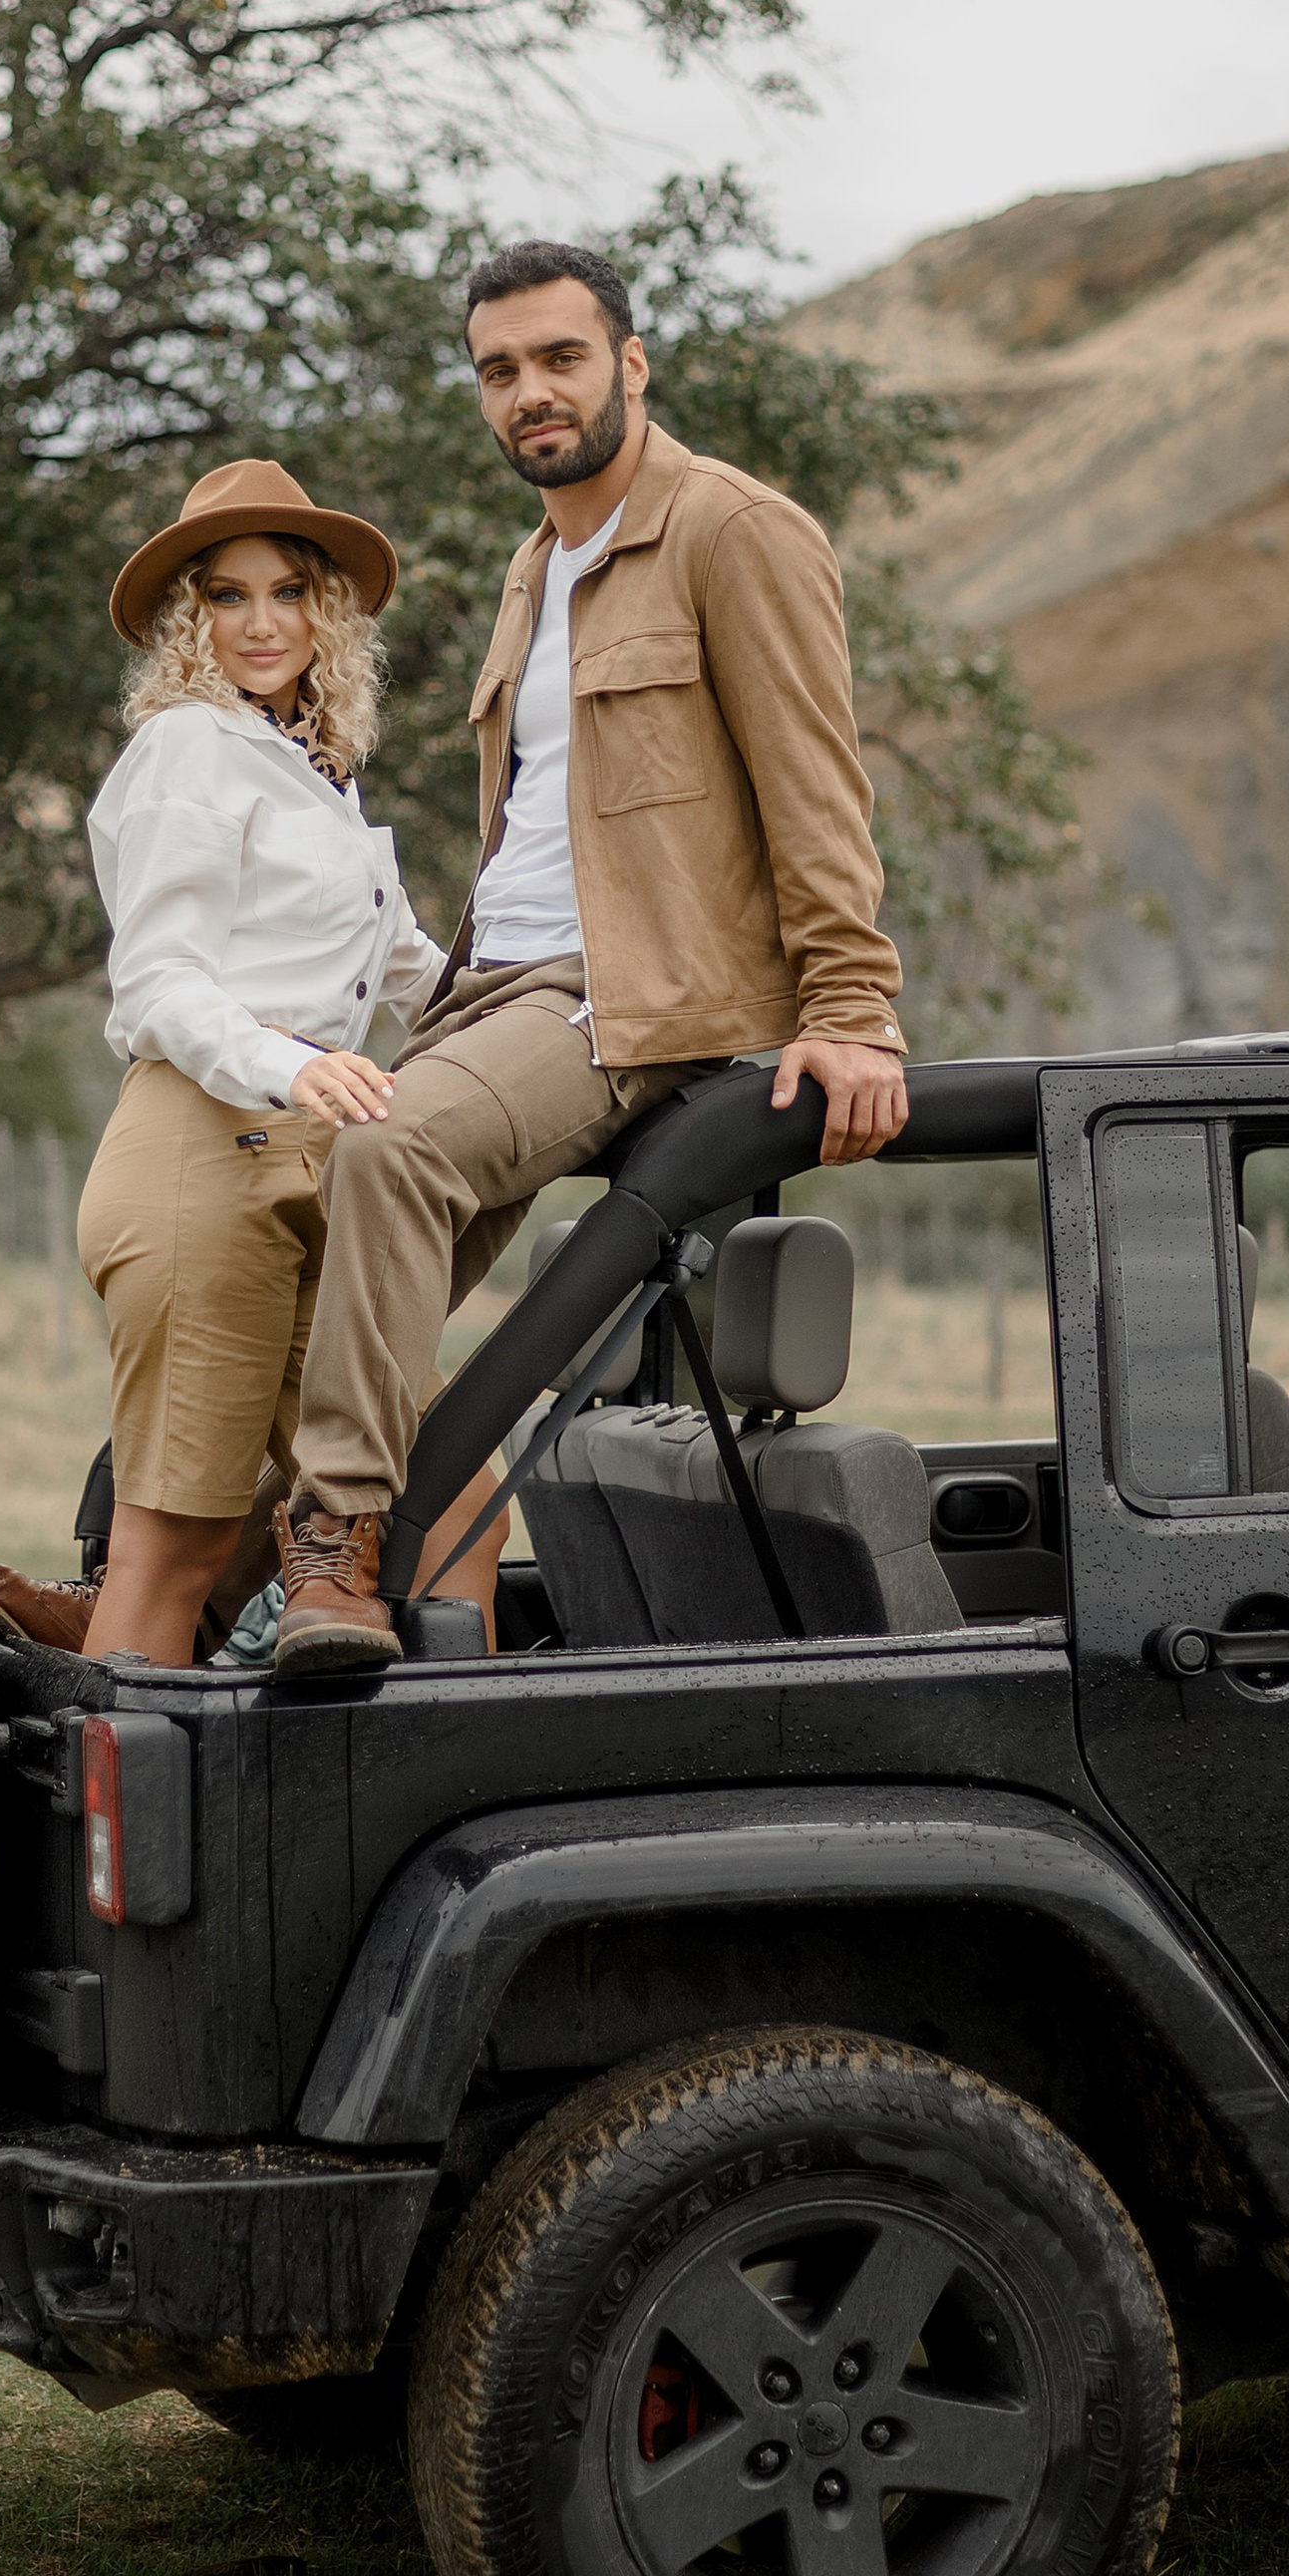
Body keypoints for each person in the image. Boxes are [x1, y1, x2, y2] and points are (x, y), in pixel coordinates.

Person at [269, 241, 911, 1674]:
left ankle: (333, 1562)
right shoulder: (534, 565)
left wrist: (853, 1012)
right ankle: (171, 1579)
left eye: (559, 359)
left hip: (629, 994)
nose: (529, 394)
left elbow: (818, 786)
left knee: (389, 1153)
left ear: (632, 362)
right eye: (499, 371)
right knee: (280, 1229)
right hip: (491, 987)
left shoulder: (734, 531)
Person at [0, 458, 505, 1666]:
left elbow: (406, 963)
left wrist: (555, 1011)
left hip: (318, 1169)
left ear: (328, 611)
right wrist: (294, 1065)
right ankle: (121, 1835)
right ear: (186, 622)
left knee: (458, 1490)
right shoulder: (188, 752)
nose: (261, 623)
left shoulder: (315, 767)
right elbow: (159, 984)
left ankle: (425, 1773)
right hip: (202, 1158)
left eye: (287, 592)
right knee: (184, 1546)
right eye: (226, 596)